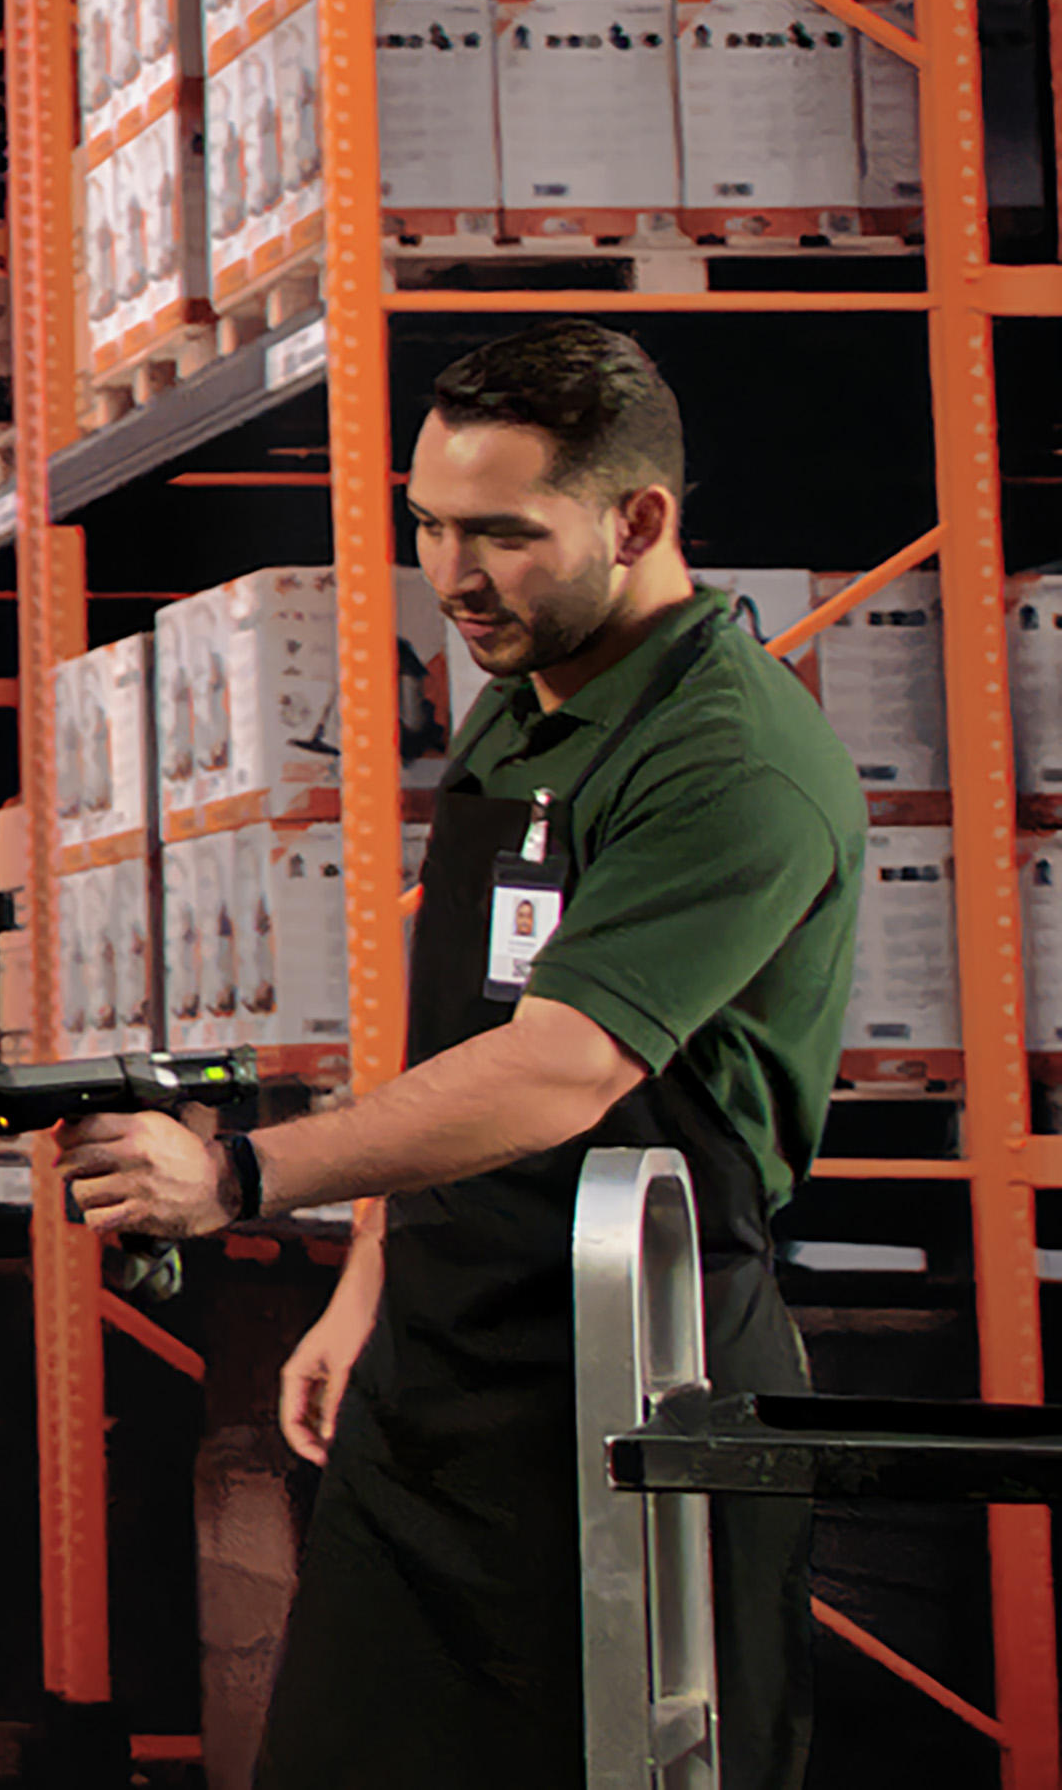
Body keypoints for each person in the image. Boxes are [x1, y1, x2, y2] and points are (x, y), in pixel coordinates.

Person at [58, 321, 861, 1790]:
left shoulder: (728, 757)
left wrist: (243, 1177)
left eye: (503, 533)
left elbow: (563, 1066)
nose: (454, 575)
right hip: (441, 1364)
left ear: (639, 521)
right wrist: (372, 1276)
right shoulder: (518, 710)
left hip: (630, 1377)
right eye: (427, 524)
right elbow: (466, 1032)